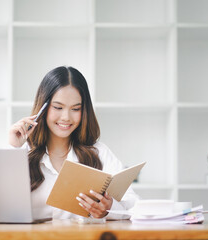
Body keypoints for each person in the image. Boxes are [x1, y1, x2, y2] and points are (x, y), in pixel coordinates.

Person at [9, 66, 139, 220]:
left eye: (76, 109)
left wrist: (109, 209)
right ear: (43, 108)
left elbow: (134, 206)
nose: (66, 117)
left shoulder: (98, 152)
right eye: (58, 107)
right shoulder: (21, 150)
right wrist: (13, 149)